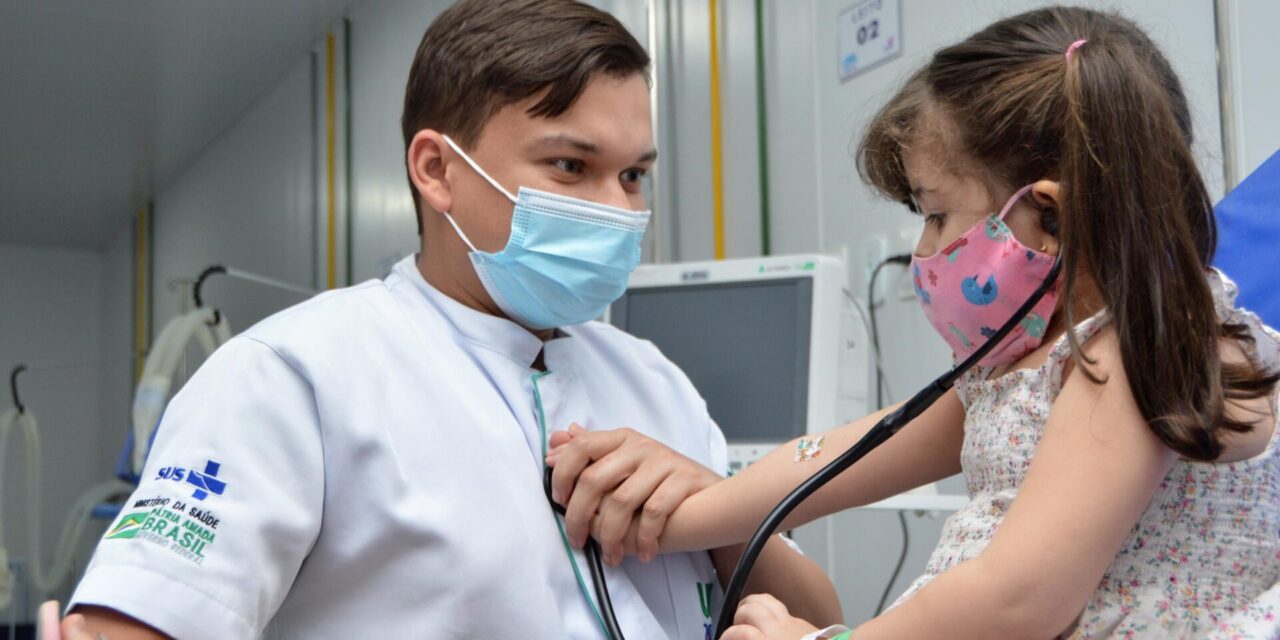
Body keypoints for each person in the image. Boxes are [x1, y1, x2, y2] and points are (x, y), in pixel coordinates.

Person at [45, 1, 840, 637]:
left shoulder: (653, 379)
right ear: (437, 171)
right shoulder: (296, 378)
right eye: (571, 165)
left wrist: (722, 511)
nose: (618, 209)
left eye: (633, 175)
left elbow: (824, 621)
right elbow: (147, 617)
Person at [550, 6, 1280, 639]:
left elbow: (1018, 598)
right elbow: (837, 454)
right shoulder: (1015, 371)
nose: (925, 253)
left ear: (1049, 216)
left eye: (936, 215)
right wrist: (683, 513)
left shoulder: (1134, 356)